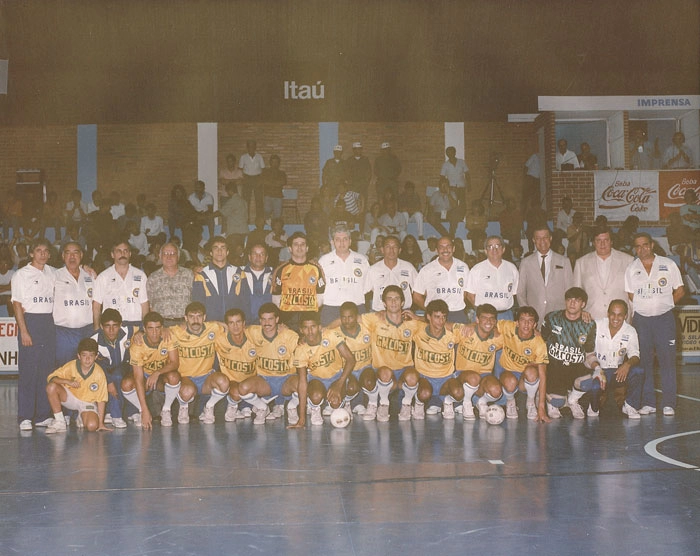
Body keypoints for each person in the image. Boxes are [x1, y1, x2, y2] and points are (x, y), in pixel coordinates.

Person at [625, 232, 684, 416]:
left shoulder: (668, 264)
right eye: (638, 246)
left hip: (664, 320)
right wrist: (646, 306)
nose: (641, 249)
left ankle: (669, 403)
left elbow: (680, 290)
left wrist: (665, 305)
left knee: (667, 361)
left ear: (652, 245)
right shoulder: (631, 268)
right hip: (641, 320)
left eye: (644, 245)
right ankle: (648, 402)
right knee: (645, 361)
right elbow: (630, 294)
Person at [11, 239, 57, 431]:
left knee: (46, 371)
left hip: (48, 322)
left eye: (46, 251)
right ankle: (25, 416)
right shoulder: (21, 275)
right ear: (31, 254)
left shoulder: (53, 272)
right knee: (29, 371)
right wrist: (24, 331)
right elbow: (16, 305)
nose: (43, 254)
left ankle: (42, 415)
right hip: (30, 322)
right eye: (38, 251)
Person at [287, 311, 356, 428]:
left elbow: (351, 360)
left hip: (336, 376)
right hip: (316, 380)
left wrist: (339, 384)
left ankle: (344, 402)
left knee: (351, 388)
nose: (310, 332)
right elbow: (302, 382)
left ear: (319, 327)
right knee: (316, 395)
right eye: (306, 328)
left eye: (313, 327)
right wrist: (301, 418)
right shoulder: (300, 349)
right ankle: (315, 408)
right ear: (301, 330)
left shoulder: (331, 335)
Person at [541, 287, 600, 419]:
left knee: (587, 382)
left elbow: (589, 353)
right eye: (569, 300)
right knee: (558, 402)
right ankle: (552, 400)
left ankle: (573, 400)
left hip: (576, 367)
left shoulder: (589, 324)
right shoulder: (552, 318)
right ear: (565, 301)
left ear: (583, 304)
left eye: (577, 300)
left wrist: (597, 368)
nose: (572, 303)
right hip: (555, 368)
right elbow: (541, 342)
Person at [234, 303, 299, 423]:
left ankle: (292, 406)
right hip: (265, 380)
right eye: (263, 319)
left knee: (303, 384)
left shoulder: (289, 335)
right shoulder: (253, 332)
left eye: (270, 319)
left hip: (286, 379)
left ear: (277, 320)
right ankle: (262, 407)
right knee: (242, 388)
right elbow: (232, 328)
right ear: (259, 320)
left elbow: (305, 347)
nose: (266, 323)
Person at [169, 302, 229, 424]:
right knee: (186, 392)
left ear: (204, 317)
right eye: (191, 316)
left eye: (199, 316)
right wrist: (139, 333)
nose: (195, 320)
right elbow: (155, 331)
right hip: (186, 378)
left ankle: (209, 406)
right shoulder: (176, 332)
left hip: (206, 377)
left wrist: (218, 323)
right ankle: (183, 407)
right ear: (185, 318)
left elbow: (231, 328)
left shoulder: (213, 328)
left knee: (224, 382)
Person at [121, 311, 180, 429]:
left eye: (158, 328)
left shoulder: (168, 336)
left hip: (161, 377)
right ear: (144, 329)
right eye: (150, 328)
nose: (154, 333)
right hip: (144, 378)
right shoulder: (137, 345)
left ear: (162, 328)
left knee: (174, 377)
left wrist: (157, 373)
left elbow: (175, 363)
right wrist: (145, 409)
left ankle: (166, 410)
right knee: (126, 384)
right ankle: (141, 411)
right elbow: (138, 377)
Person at [590, 300, 645, 418]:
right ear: (608, 314)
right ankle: (593, 406)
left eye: (620, 315)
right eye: (612, 314)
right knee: (594, 392)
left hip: (616, 372)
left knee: (638, 371)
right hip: (598, 370)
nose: (615, 318)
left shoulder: (630, 331)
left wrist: (627, 364)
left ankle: (630, 405)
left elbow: (635, 355)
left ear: (625, 316)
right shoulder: (596, 325)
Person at [494, 306, 550, 422]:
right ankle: (510, 401)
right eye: (523, 320)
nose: (526, 324)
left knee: (532, 371)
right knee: (510, 382)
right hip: (508, 372)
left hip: (525, 377)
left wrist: (541, 407)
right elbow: (488, 325)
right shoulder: (507, 326)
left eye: (530, 321)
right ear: (517, 322)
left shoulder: (539, 343)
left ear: (535, 325)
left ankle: (530, 402)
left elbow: (543, 375)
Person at [44, 338, 109, 434]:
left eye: (91, 355)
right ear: (78, 355)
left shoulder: (99, 373)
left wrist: (101, 423)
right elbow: (51, 377)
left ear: (96, 356)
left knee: (92, 426)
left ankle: (80, 416)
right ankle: (60, 422)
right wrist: (67, 381)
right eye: (84, 355)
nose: (87, 359)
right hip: (71, 398)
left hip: (88, 403)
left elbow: (101, 399)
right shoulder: (71, 366)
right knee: (51, 387)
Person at [516, 226, 573, 327]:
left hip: (558, 316)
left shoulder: (564, 261)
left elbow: (570, 290)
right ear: (533, 240)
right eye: (538, 238)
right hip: (534, 318)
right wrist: (527, 314)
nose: (542, 241)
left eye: (545, 237)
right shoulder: (526, 262)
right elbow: (520, 292)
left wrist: (567, 313)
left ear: (550, 238)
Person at [573, 226, 633, 321]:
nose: (602, 244)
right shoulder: (581, 263)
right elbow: (576, 294)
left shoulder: (628, 260)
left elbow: (632, 294)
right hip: (591, 318)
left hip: (620, 319)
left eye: (606, 240)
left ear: (611, 241)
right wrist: (579, 313)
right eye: (598, 240)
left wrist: (632, 316)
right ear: (593, 243)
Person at [455, 304, 504, 420]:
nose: (488, 321)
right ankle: (466, 403)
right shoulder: (466, 331)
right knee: (473, 378)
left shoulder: (499, 338)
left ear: (495, 321)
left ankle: (481, 402)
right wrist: (420, 318)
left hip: (484, 375)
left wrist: (535, 332)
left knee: (497, 391)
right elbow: (443, 326)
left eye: (492, 318)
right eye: (484, 318)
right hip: (463, 374)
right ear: (477, 319)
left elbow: (515, 333)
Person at [211, 308, 260, 423]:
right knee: (237, 393)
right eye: (231, 323)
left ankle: (253, 405)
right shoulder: (220, 339)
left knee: (249, 389)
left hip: (252, 380)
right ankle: (234, 404)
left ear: (244, 323)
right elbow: (205, 326)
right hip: (232, 381)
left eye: (238, 322)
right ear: (227, 325)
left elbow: (271, 329)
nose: (235, 326)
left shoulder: (254, 337)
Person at [271, 231, 326, 329]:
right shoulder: (281, 269)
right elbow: (276, 297)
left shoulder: (316, 268)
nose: (299, 247)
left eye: (302, 244)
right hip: (287, 319)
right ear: (290, 249)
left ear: (307, 248)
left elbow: (320, 296)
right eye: (296, 244)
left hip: (309, 318)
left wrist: (309, 311)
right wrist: (283, 316)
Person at [52, 242, 95, 367]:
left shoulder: (90, 275)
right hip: (63, 333)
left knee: (86, 369)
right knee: (63, 368)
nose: (72, 257)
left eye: (75, 252)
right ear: (62, 256)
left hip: (87, 330)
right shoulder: (54, 275)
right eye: (68, 253)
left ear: (81, 255)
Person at [318, 225, 370, 326]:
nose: (342, 243)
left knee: (358, 340)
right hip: (331, 308)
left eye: (345, 239)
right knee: (329, 340)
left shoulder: (362, 260)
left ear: (350, 241)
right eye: (338, 239)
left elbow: (367, 286)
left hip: (356, 307)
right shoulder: (324, 260)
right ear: (332, 242)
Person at [92, 238, 150, 328]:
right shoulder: (103, 277)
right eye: (119, 251)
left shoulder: (141, 275)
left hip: (135, 325)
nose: (122, 254)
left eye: (125, 251)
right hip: (112, 328)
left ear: (130, 254)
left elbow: (145, 304)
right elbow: (96, 306)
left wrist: (144, 327)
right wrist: (96, 328)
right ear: (112, 254)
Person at [91, 309, 134, 429]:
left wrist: (140, 333)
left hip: (125, 367)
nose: (111, 330)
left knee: (119, 376)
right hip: (104, 371)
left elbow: (145, 327)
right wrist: (109, 381)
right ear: (101, 326)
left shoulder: (128, 331)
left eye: (115, 326)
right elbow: (96, 366)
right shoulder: (94, 340)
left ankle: (130, 411)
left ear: (120, 325)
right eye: (107, 326)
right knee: (112, 377)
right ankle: (115, 415)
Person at [191, 236, 249, 322]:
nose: (219, 251)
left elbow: (245, 301)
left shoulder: (239, 273)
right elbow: (198, 303)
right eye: (215, 248)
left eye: (223, 247)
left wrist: (245, 322)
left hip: (234, 324)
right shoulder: (202, 275)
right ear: (211, 252)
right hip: (212, 324)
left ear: (227, 252)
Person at [413, 236, 470, 322]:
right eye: (441, 247)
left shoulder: (463, 267)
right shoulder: (427, 269)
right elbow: (416, 296)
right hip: (436, 316)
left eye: (448, 246)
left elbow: (466, 293)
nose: (445, 250)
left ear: (453, 248)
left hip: (458, 313)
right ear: (436, 250)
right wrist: (430, 311)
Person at [465, 235, 519, 321]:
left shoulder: (512, 268)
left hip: (506, 316)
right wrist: (481, 312)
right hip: (484, 318)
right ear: (485, 251)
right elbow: (470, 295)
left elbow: (514, 293)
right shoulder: (477, 269)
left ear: (503, 249)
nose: (494, 249)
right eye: (490, 247)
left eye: (497, 246)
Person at [364, 235, 418, 312]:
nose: (391, 250)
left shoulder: (408, 267)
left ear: (399, 250)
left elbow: (419, 291)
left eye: (395, 247)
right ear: (382, 250)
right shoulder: (373, 269)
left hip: (403, 312)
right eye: (388, 247)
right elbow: (364, 291)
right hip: (381, 312)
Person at [146, 242, 194, 327]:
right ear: (160, 256)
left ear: (178, 257)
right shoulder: (153, 278)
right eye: (165, 253)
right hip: (162, 326)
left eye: (173, 253)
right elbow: (151, 306)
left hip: (185, 324)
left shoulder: (190, 275)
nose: (169, 257)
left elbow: (195, 301)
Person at [242, 242, 273, 324]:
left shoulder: (274, 274)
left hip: (267, 324)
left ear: (266, 258)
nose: (258, 257)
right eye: (254, 254)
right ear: (249, 257)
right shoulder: (239, 273)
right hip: (246, 324)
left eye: (262, 254)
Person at [239, 139, 265, 221]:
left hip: (257, 179)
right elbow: (240, 169)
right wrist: (244, 179)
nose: (251, 148)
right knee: (246, 200)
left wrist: (260, 180)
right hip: (247, 179)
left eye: (253, 146)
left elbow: (263, 169)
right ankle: (246, 220)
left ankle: (259, 220)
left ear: (255, 147)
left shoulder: (259, 156)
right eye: (250, 146)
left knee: (259, 200)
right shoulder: (243, 157)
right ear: (247, 147)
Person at [440, 146, 470, 212]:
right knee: (453, 204)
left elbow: (467, 174)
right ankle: (454, 218)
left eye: (451, 152)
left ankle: (461, 218)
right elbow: (442, 177)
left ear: (455, 153)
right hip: (451, 188)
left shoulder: (461, 162)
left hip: (461, 187)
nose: (450, 154)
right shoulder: (445, 165)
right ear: (447, 154)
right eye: (448, 153)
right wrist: (444, 188)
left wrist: (469, 185)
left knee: (463, 203)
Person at [262, 154, 287, 221]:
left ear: (279, 163)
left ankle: (276, 229)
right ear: (270, 163)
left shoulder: (282, 173)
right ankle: (268, 226)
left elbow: (283, 182)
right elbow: (264, 181)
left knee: (277, 216)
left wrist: (270, 183)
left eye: (276, 162)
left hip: (278, 196)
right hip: (268, 196)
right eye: (273, 162)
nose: (275, 164)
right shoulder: (265, 172)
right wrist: (276, 183)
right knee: (266, 211)